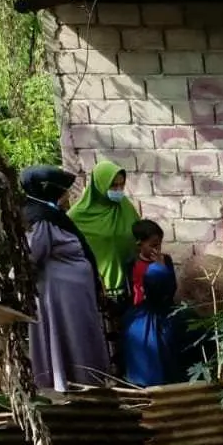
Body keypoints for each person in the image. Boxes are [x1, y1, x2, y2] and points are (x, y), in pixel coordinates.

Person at [20, 165, 112, 392]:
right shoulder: (40, 218)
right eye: (64, 192)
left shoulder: (52, 216)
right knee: (68, 336)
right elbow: (33, 255)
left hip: (71, 295)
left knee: (79, 336)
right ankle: (69, 382)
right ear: (50, 192)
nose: (68, 197)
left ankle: (86, 380)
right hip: (59, 296)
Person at [68, 161, 142, 356]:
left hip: (128, 282)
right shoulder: (78, 216)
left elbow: (139, 234)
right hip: (97, 286)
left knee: (128, 332)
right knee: (104, 334)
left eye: (121, 185)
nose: (118, 190)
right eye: (113, 186)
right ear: (99, 186)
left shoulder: (125, 207)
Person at [124, 220, 175, 309]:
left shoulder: (166, 260)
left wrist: (162, 269)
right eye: (153, 245)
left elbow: (172, 289)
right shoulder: (132, 264)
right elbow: (131, 292)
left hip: (163, 310)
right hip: (141, 312)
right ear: (139, 244)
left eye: (159, 244)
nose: (157, 249)